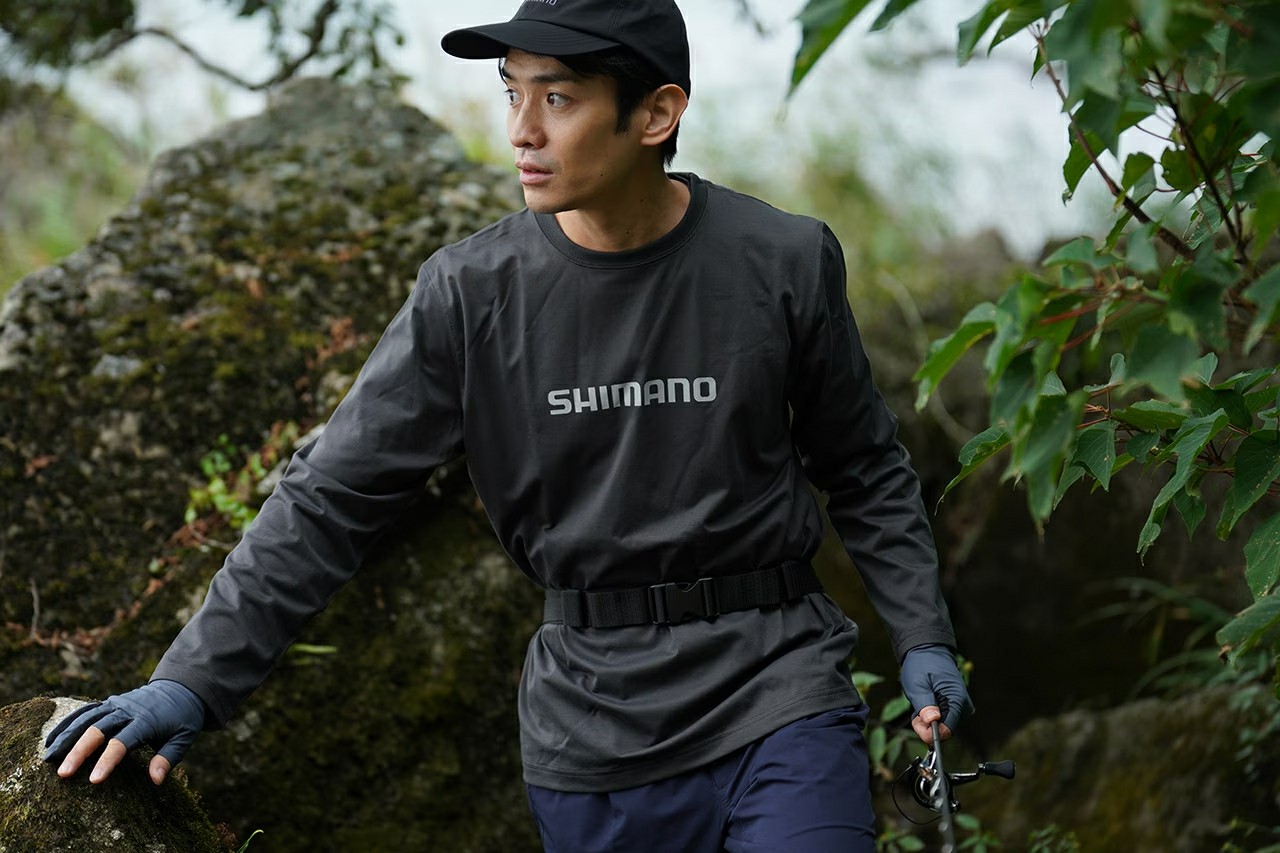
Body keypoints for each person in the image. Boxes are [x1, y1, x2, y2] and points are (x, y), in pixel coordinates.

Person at [45, 1, 973, 850]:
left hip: (778, 691)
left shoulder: (782, 261)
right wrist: (191, 682)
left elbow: (864, 466)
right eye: (512, 93)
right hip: (592, 731)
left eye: (558, 98)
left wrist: (922, 634)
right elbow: (329, 498)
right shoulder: (471, 294)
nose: (522, 130)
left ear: (656, 113)